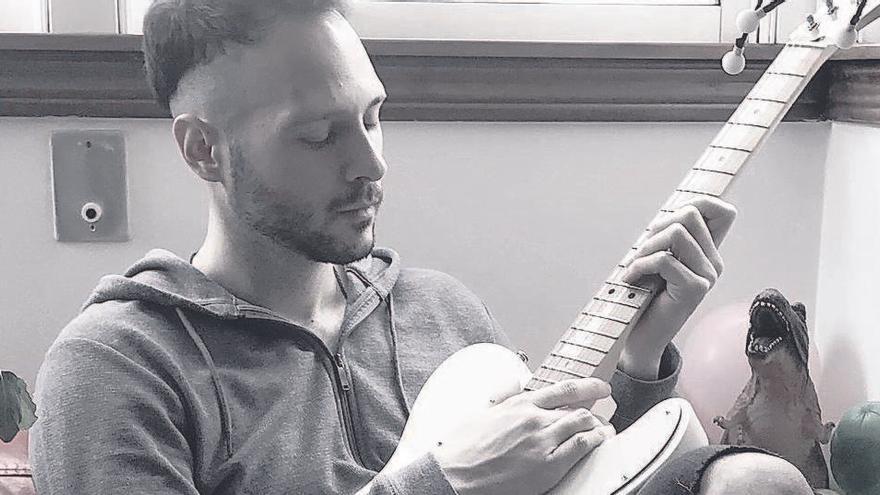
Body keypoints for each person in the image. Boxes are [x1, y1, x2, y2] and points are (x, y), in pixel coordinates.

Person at [28, 0, 792, 493]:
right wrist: (440, 480)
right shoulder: (117, 363)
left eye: (373, 116)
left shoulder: (442, 312)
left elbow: (577, 479)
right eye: (320, 134)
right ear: (203, 150)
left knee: (758, 483)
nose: (370, 163)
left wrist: (640, 361)